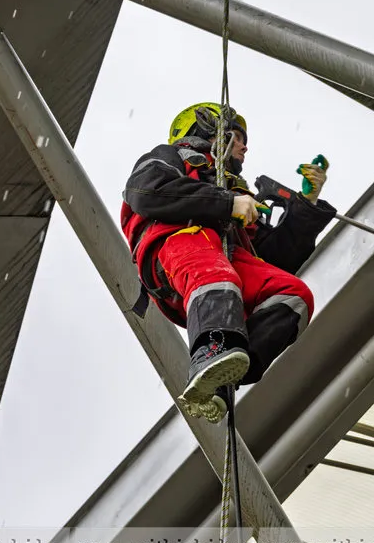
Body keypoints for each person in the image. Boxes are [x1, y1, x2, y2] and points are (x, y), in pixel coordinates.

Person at [120, 102, 336, 422]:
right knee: (212, 264)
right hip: (175, 250)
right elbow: (148, 192)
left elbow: (276, 259)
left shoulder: (235, 195)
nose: (245, 147)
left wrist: (306, 205)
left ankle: (221, 379)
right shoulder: (171, 158)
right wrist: (226, 203)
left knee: (293, 294)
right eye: (237, 137)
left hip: (220, 269)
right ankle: (211, 348)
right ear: (209, 130)